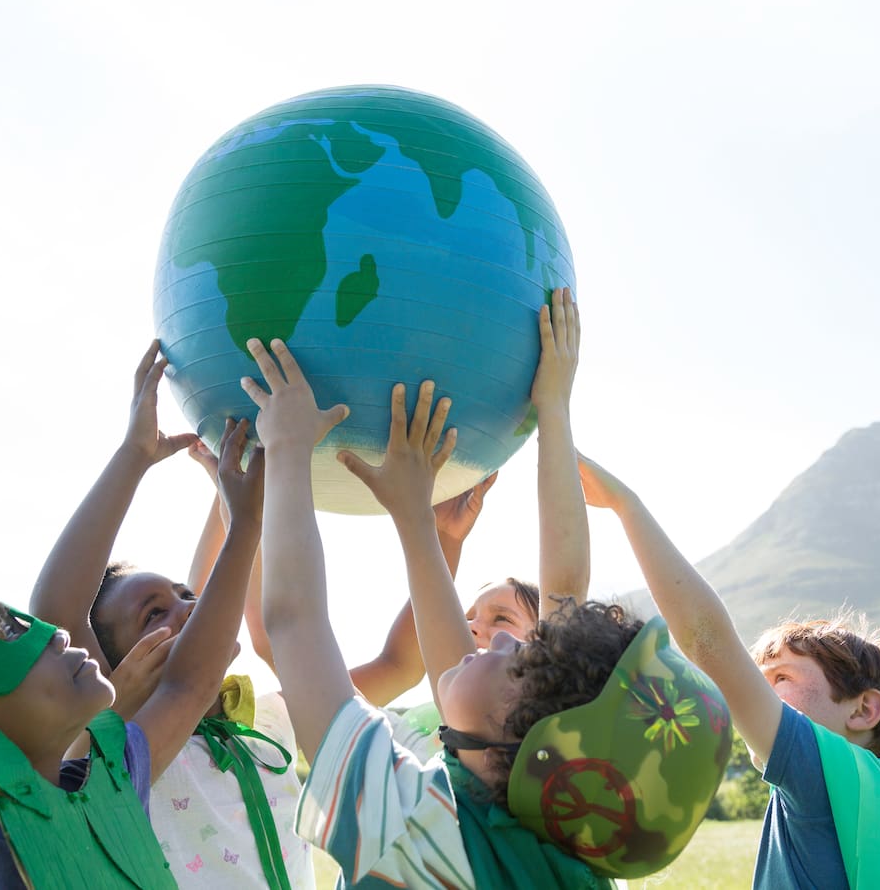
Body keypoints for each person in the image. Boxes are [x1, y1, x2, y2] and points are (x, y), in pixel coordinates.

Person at [244, 288, 729, 886]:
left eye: (520, 660)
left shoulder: (412, 825)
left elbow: (294, 623)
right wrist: (418, 520)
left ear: (527, 756)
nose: (495, 644)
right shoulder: (556, 853)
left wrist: (287, 450)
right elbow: (489, 669)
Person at [0, 407, 261, 887]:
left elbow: (189, 684)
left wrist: (243, 525)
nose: (50, 634)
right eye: (4, 638)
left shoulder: (102, 791)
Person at [574, 452, 880, 890]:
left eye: (781, 678)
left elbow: (706, 641)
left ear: (863, 710)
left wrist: (627, 506)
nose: (752, 692)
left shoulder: (825, 776)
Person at [28, 341, 314, 890]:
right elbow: (57, 611)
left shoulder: (269, 725)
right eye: (153, 612)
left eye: (189, 595)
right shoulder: (122, 746)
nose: (193, 608)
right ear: (108, 670)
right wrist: (134, 454)